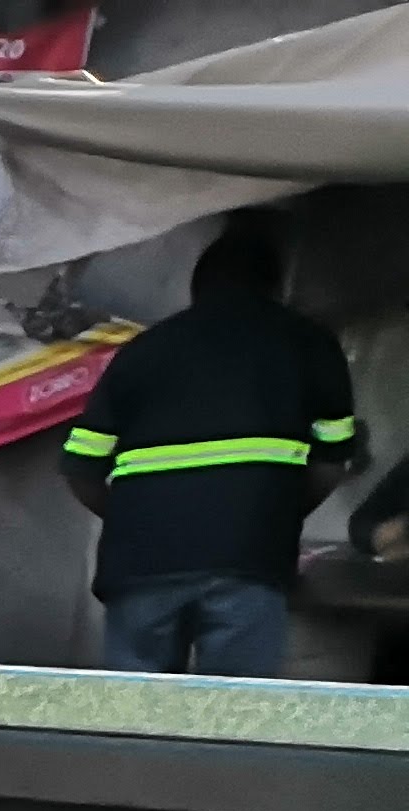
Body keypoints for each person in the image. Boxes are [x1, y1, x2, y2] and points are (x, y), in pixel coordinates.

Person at [63, 210, 363, 676]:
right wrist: (275, 513)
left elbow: (81, 467)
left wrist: (136, 516)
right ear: (275, 287)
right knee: (232, 718)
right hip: (249, 557)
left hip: (141, 564)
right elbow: (333, 456)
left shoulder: (143, 350)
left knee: (132, 718)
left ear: (196, 286)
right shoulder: (308, 343)